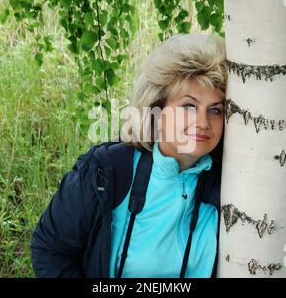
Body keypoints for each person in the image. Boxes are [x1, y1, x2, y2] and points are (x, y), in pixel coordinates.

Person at [30, 33, 228, 278]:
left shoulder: (231, 180)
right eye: (189, 106)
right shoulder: (104, 171)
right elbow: (50, 250)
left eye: (215, 110)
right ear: (157, 109)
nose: (203, 122)